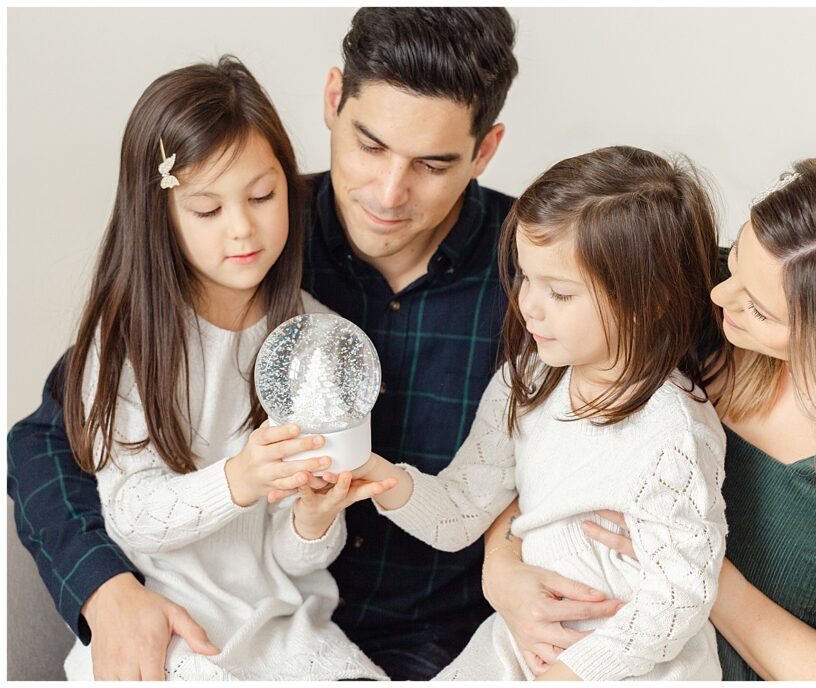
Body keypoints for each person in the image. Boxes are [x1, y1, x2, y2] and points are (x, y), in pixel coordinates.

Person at [7, 8, 520, 681]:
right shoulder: (240, 240)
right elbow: (45, 442)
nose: (390, 193)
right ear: (334, 100)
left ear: (484, 150)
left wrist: (507, 546)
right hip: (222, 621)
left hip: (419, 637)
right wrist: (106, 591)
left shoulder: (539, 270)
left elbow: (620, 402)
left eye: (432, 163)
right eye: (370, 145)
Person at [480, 151, 816, 680]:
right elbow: (540, 441)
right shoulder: (694, 309)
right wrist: (502, 570)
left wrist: (698, 576)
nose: (716, 294)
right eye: (735, 260)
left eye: (759, 309)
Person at [57, 55, 398, 681]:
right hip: (167, 620)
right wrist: (237, 478)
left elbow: (293, 560)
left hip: (284, 625)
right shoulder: (132, 338)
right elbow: (129, 514)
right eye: (207, 210)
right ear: (160, 216)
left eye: (263, 196)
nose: (243, 228)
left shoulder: (309, 337)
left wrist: (315, 515)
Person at [345, 146, 728, 680]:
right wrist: (382, 479)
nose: (529, 305)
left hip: (629, 662)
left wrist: (573, 673)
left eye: (561, 293)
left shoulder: (672, 428)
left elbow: (680, 596)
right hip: (525, 643)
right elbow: (462, 510)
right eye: (526, 277)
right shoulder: (525, 380)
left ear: (651, 298)